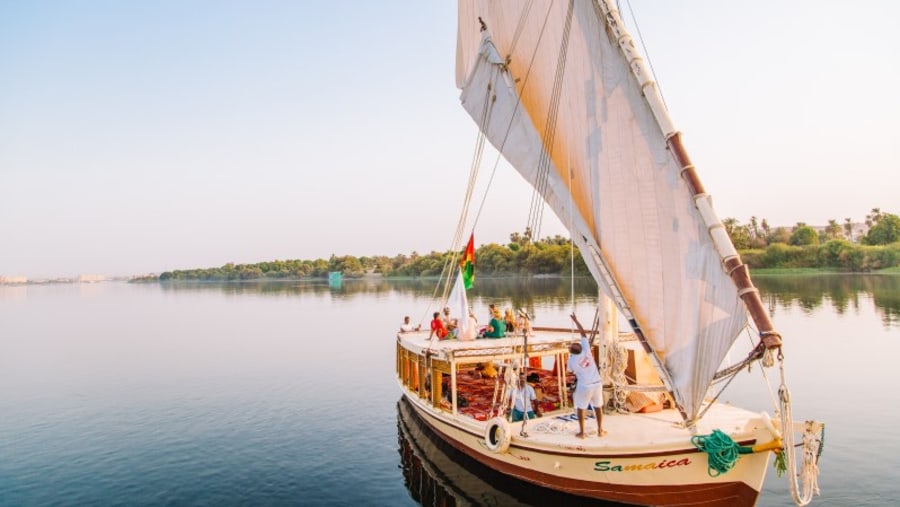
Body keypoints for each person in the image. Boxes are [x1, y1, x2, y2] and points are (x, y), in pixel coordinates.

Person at [567, 313, 606, 438]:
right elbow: (583, 334)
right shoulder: (587, 351)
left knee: (581, 407)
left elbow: (570, 372)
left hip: (585, 386)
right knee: (598, 406)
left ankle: (582, 432)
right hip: (597, 383)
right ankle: (600, 430)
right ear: (581, 348)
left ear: (571, 351)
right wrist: (576, 320)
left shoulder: (571, 361)